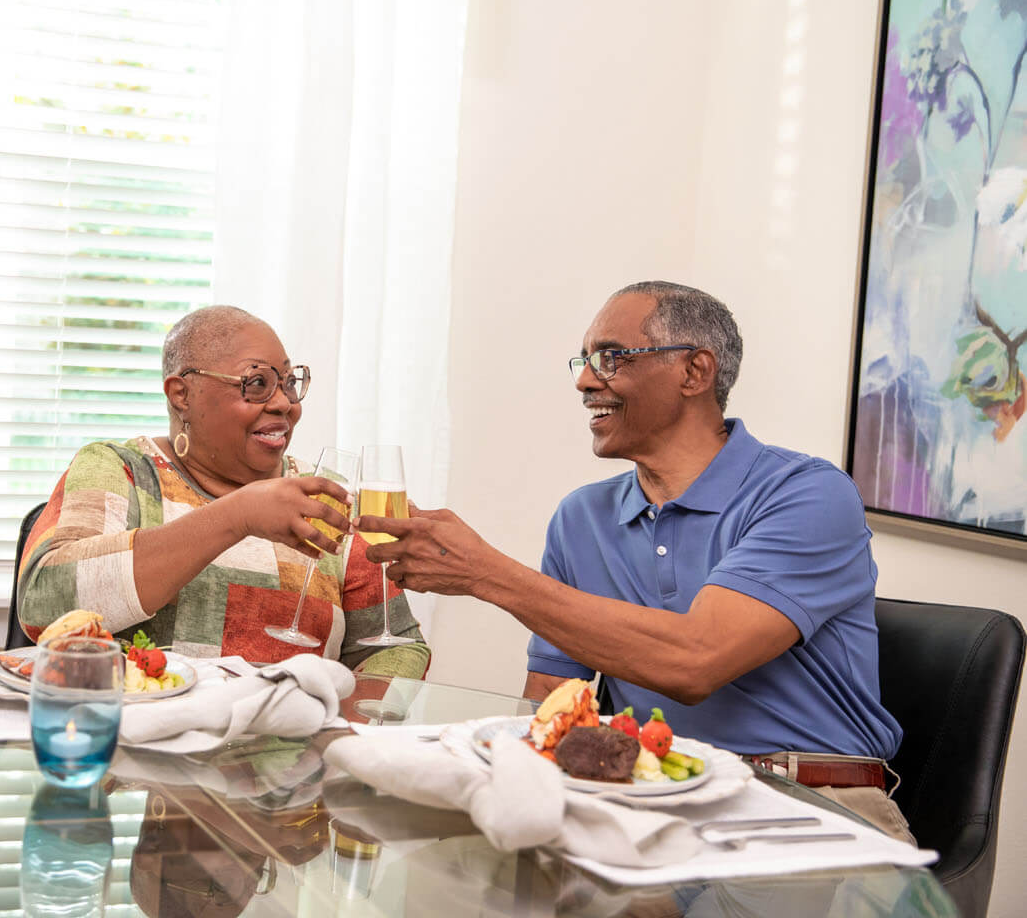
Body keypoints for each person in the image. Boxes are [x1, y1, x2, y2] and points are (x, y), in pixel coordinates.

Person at [356, 281, 908, 836]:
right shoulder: (582, 518)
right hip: (646, 801)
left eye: (611, 357)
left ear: (694, 372)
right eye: (585, 359)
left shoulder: (808, 494)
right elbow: (552, 701)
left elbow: (697, 662)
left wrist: (487, 574)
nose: (585, 379)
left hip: (808, 804)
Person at [18, 305, 429, 677]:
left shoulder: (322, 496)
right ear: (182, 394)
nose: (285, 403)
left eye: (288, 383)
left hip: (290, 753)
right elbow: (45, 608)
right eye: (257, 383)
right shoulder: (122, 469)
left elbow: (397, 648)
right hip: (140, 743)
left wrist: (342, 728)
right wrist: (237, 516)